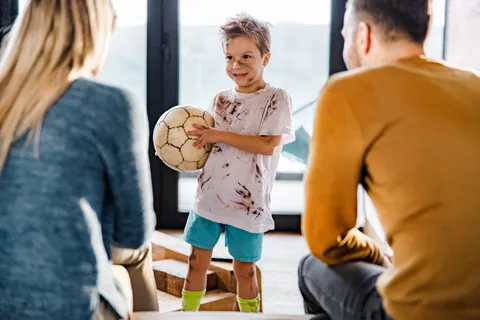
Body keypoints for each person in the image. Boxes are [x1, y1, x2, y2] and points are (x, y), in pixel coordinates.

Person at [298, 0, 480, 319]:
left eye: (345, 36)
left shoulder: (348, 91)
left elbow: (325, 239)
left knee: (311, 267)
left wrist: (378, 255)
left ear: (363, 36)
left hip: (416, 311)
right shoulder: (474, 85)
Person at [0, 1, 156, 319]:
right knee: (140, 251)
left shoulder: (7, 98)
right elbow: (133, 231)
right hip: (67, 306)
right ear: (95, 30)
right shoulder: (111, 104)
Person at [182, 13, 295, 313]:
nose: (236, 65)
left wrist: (217, 134)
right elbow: (207, 145)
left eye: (246, 56)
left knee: (244, 270)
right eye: (230, 57)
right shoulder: (220, 99)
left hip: (249, 203)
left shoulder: (276, 99)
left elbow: (267, 145)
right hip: (208, 196)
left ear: (265, 57)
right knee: (195, 263)